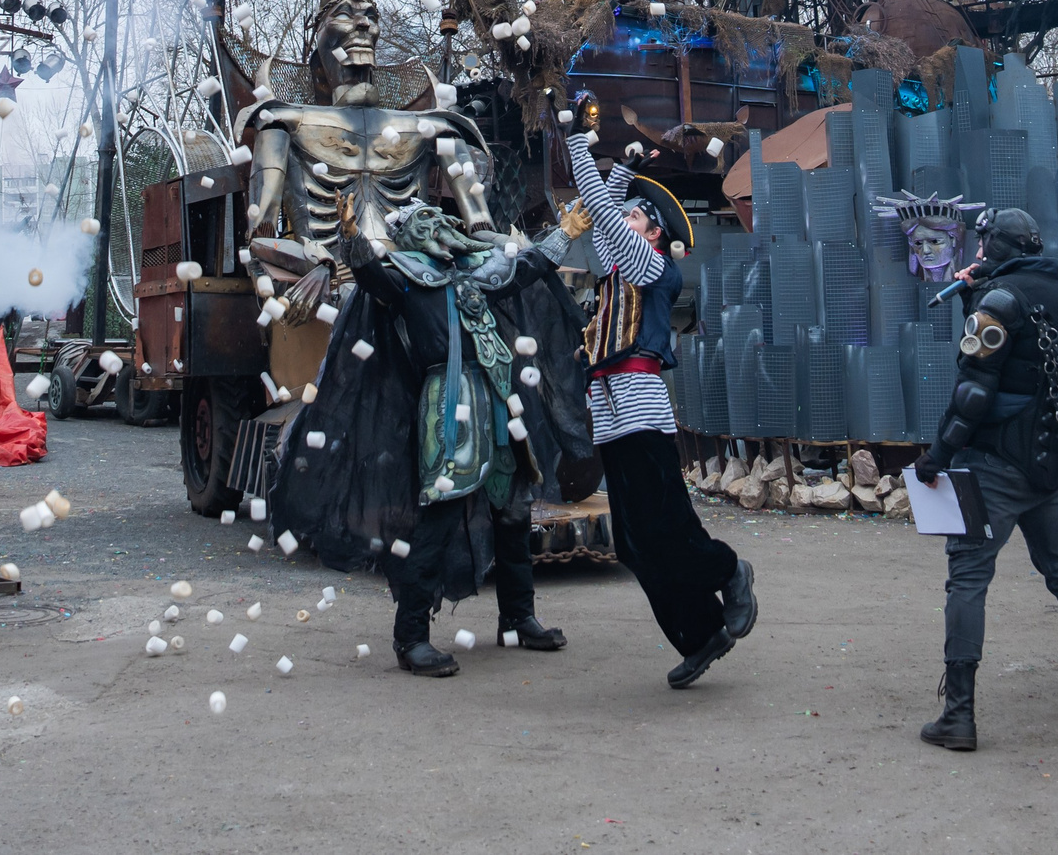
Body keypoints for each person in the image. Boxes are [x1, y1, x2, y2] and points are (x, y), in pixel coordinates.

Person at [297, 205, 588, 675]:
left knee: (513, 510)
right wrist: (351, 236)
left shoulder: (476, 272)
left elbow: (525, 269)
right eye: (425, 222)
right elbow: (370, 276)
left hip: (496, 398)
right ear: (406, 236)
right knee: (440, 515)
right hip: (448, 400)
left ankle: (518, 618)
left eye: (443, 220)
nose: (440, 227)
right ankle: (410, 638)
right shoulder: (404, 276)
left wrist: (566, 232)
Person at [564, 100, 757, 688]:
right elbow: (605, 212)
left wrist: (576, 140)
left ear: (652, 233)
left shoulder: (649, 265)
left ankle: (729, 568)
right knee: (633, 542)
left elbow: (598, 211)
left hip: (639, 407)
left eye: (631, 218)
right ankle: (702, 633)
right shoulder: (619, 273)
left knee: (667, 526)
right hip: (612, 415)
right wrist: (623, 163)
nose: (617, 224)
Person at [910, 206, 1058, 749]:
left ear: (999, 246)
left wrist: (936, 455)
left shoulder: (1000, 301)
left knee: (968, 578)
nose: (976, 254)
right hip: (1050, 465)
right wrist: (977, 296)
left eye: (983, 245)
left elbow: (974, 389)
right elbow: (1023, 367)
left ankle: (959, 715)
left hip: (993, 465)